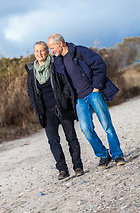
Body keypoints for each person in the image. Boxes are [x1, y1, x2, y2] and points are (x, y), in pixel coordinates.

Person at [47, 33, 125, 169]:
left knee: (107, 126)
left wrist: (96, 87)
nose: (51, 51)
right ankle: (103, 155)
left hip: (94, 93)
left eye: (52, 48)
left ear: (60, 44)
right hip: (79, 99)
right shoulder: (57, 61)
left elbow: (99, 64)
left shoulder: (79, 51)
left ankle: (117, 154)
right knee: (86, 129)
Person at [25, 41, 84, 180]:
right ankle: (62, 169)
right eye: (36, 51)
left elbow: (66, 83)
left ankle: (78, 166)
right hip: (46, 111)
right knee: (53, 141)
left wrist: (63, 98)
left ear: (47, 51)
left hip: (62, 107)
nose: (39, 54)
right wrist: (36, 107)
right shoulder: (31, 70)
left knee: (71, 138)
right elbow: (31, 92)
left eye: (42, 50)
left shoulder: (55, 64)